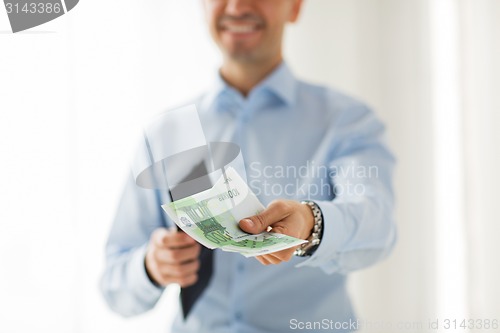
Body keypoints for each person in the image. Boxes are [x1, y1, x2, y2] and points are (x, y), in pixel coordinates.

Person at [100, 0, 397, 332]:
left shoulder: (346, 122)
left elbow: (378, 226)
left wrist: (312, 223)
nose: (238, 6)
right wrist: (150, 267)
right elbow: (114, 286)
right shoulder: (167, 133)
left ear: (295, 7)